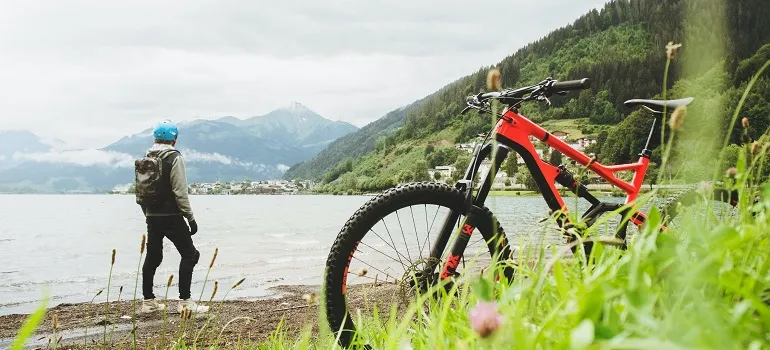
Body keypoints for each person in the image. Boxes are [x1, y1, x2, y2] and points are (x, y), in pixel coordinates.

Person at [134, 119, 208, 313]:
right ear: (174, 139)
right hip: (172, 215)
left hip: (152, 215)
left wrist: (148, 215)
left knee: (153, 256)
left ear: (155, 138)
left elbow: (141, 192)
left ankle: (148, 302)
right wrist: (190, 218)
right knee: (190, 254)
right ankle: (185, 302)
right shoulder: (174, 158)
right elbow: (180, 192)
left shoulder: (146, 158)